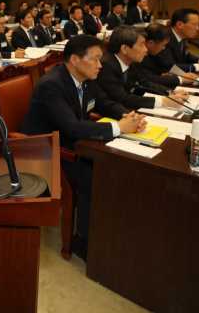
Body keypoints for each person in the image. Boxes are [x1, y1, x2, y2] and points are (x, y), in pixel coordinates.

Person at [21, 35, 147, 261]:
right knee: (95, 177)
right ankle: (83, 241)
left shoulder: (86, 78)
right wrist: (119, 128)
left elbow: (105, 102)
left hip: (74, 143)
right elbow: (73, 127)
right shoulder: (52, 85)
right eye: (96, 59)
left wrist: (128, 116)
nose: (100, 65)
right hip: (47, 151)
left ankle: (102, 226)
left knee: (116, 165)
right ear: (75, 60)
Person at [96, 25, 187, 109]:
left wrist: (170, 93)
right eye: (141, 45)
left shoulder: (130, 60)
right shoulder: (105, 65)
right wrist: (163, 102)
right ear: (124, 49)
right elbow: (123, 98)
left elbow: (144, 83)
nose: (145, 49)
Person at [152, 8, 199, 72]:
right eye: (195, 24)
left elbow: (186, 56)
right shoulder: (164, 38)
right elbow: (170, 66)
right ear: (180, 24)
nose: (198, 28)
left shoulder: (180, 36)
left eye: (198, 24)